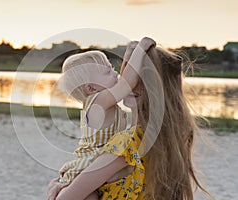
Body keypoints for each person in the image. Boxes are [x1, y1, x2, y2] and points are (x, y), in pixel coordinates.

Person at [48, 37, 211, 200]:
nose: (120, 76)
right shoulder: (160, 142)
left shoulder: (126, 145)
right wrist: (132, 53)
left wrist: (52, 192)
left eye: (134, 76)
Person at [53, 38, 156, 200]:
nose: (115, 73)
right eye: (107, 72)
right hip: (86, 166)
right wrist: (141, 48)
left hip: (98, 164)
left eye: (112, 68)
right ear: (92, 88)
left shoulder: (104, 102)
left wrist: (129, 52)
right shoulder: (98, 102)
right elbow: (126, 83)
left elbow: (123, 80)